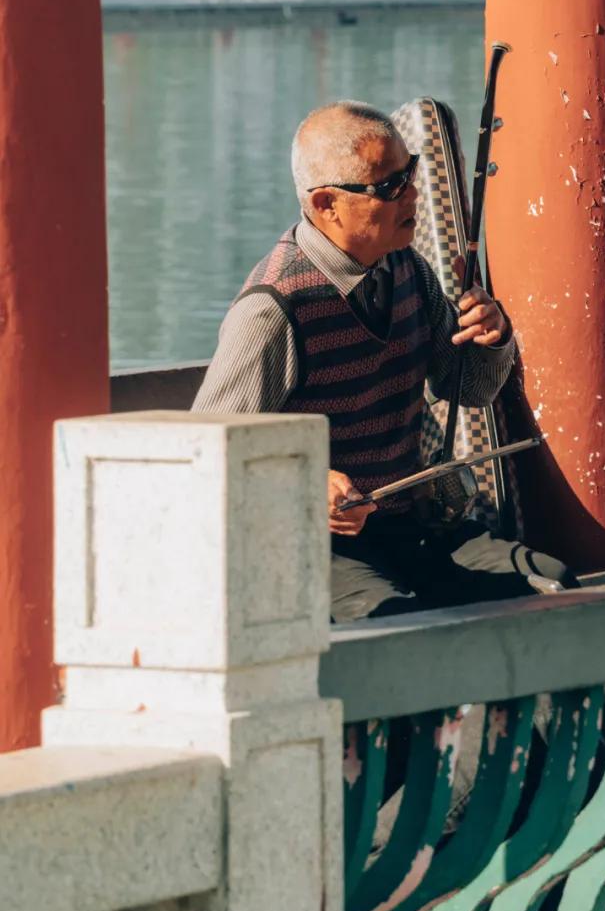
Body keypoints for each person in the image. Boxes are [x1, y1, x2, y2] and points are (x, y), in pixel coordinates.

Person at [193, 100, 573, 619]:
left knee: (552, 584)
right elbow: (205, 452)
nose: (413, 194)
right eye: (389, 187)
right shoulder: (275, 308)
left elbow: (467, 389)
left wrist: (491, 337)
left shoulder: (406, 268)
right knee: (396, 626)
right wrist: (308, 483)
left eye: (411, 172)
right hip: (313, 548)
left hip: (413, 529)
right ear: (327, 204)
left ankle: (515, 704)